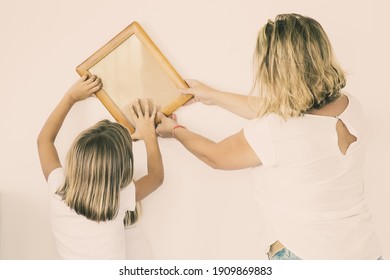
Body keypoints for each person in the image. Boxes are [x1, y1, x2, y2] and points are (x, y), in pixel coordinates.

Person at [156, 13, 382, 259]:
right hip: (366, 255)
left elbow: (215, 156)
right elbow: (289, 111)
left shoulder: (275, 131)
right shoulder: (350, 105)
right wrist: (214, 96)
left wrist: (175, 131)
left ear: (275, 69)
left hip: (305, 257)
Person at [37, 74, 163, 259]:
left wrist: (70, 98)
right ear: (120, 170)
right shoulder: (118, 198)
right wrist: (149, 135)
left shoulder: (58, 187)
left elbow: (44, 141)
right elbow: (156, 176)